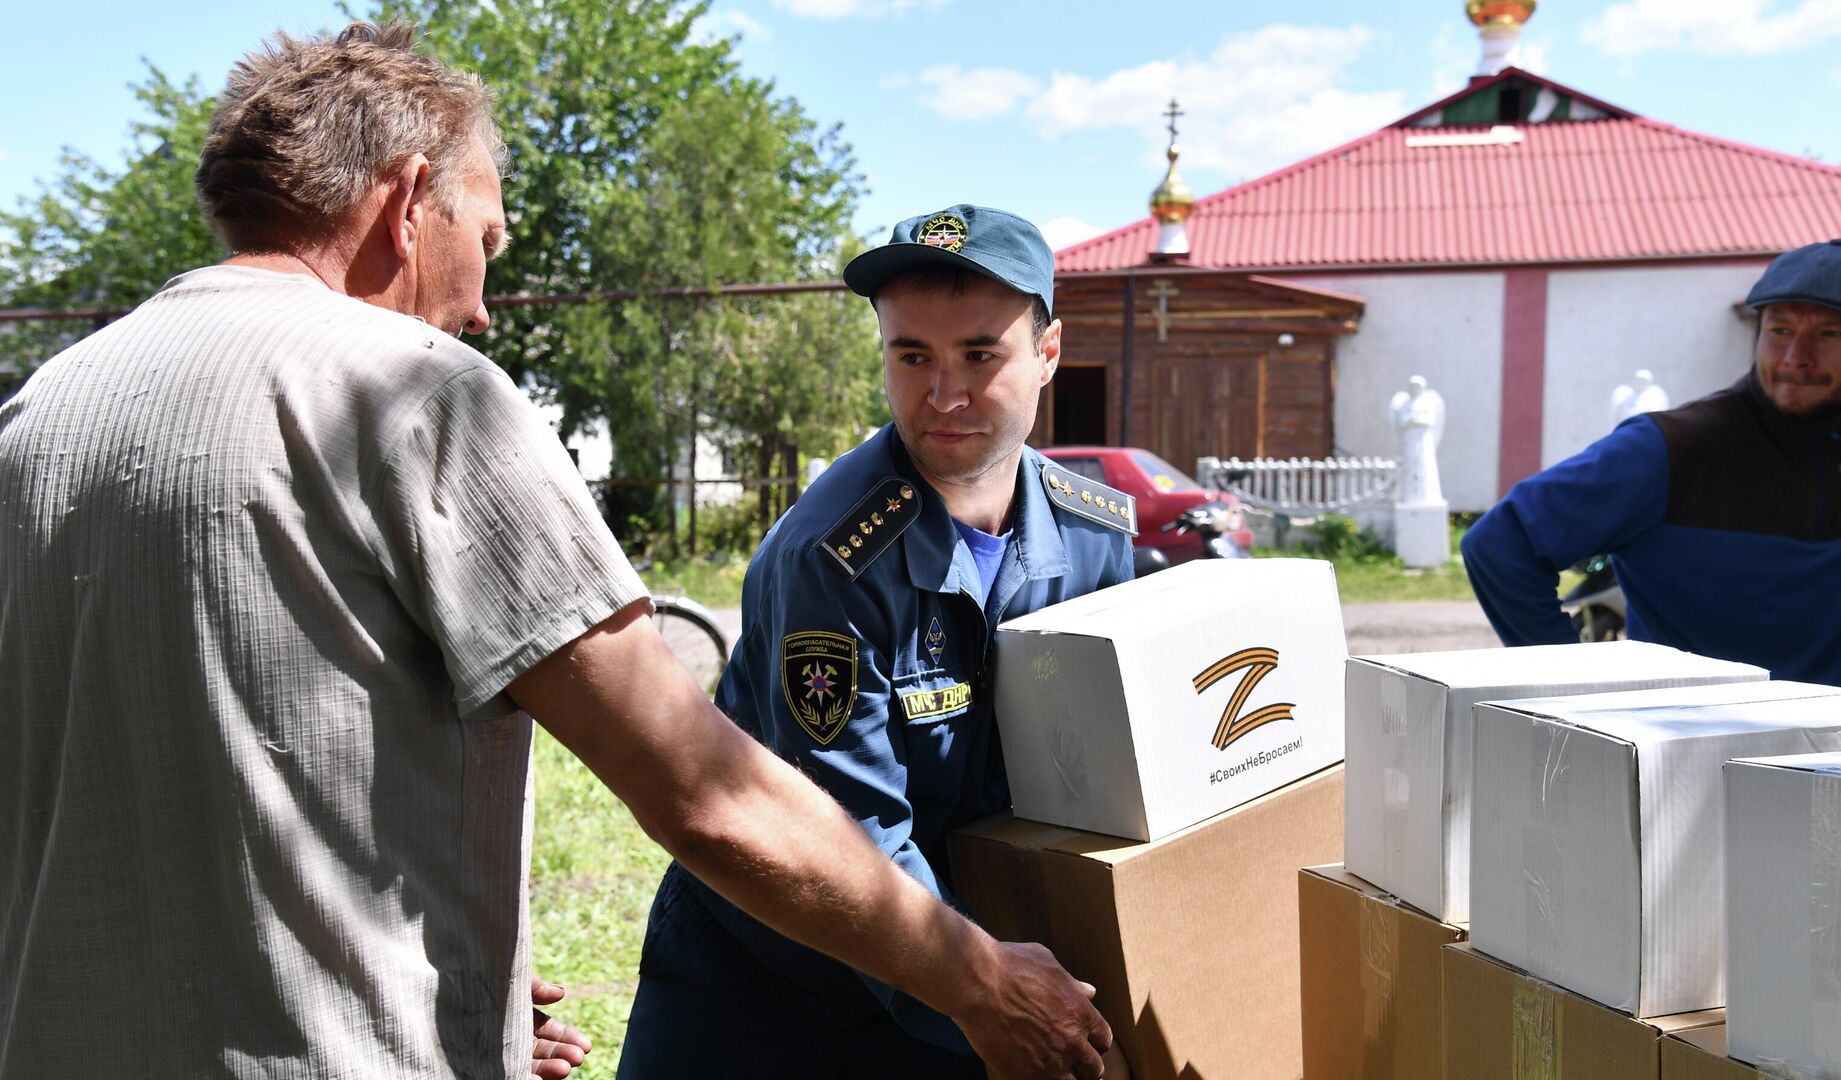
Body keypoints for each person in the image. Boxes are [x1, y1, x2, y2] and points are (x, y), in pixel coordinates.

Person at [0, 26, 1112, 1079]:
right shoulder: (412, 396)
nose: (483, 307)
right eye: (485, 240)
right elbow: (703, 791)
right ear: (402, 208)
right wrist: (983, 985)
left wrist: (440, 961)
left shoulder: (41, 413)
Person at [617, 205, 1137, 1078]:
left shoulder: (1094, 534)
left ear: (1047, 356)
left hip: (959, 956)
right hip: (772, 981)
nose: (943, 395)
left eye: (980, 354)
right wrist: (993, 1002)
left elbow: (1110, 779)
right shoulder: (836, 556)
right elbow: (850, 837)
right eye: (913, 357)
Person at [1462, 238, 1841, 687]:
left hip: (1836, 753)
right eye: (1780, 330)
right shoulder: (1672, 448)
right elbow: (1499, 544)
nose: (1796, 357)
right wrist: (1576, 693)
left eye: (1830, 334)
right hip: (1684, 749)